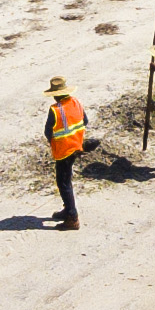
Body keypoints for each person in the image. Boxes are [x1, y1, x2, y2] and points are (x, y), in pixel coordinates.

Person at [42, 75, 89, 228]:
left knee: (63, 183)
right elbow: (85, 121)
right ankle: (68, 209)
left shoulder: (55, 109)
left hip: (63, 151)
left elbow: (48, 131)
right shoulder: (76, 102)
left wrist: (54, 142)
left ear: (55, 94)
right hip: (77, 146)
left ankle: (72, 217)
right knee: (66, 180)